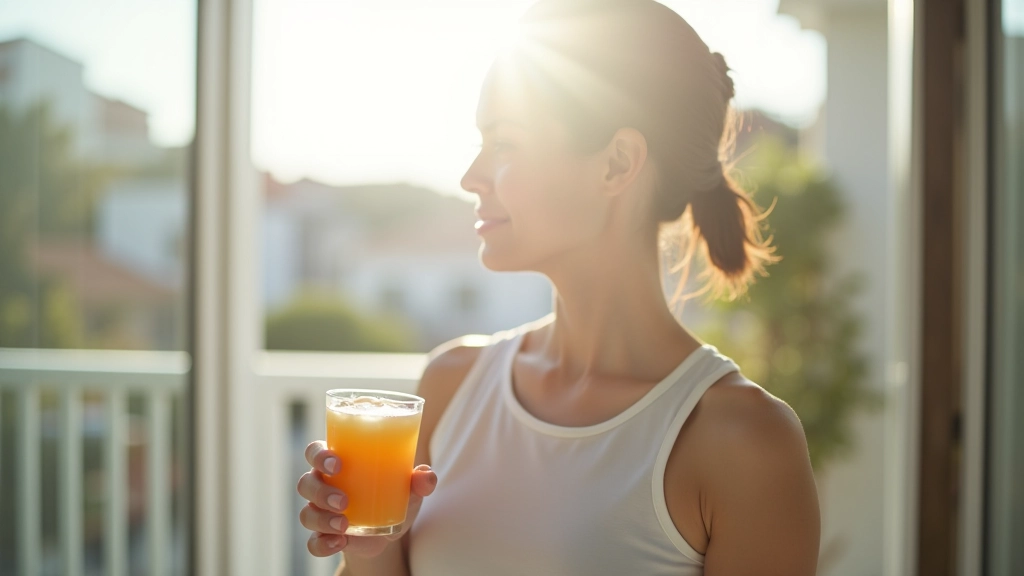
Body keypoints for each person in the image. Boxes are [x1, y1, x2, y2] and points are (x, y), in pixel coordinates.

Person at [297, 0, 821, 574]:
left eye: (505, 143)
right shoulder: (450, 385)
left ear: (617, 163)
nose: (471, 176)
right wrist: (369, 551)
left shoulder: (745, 443)